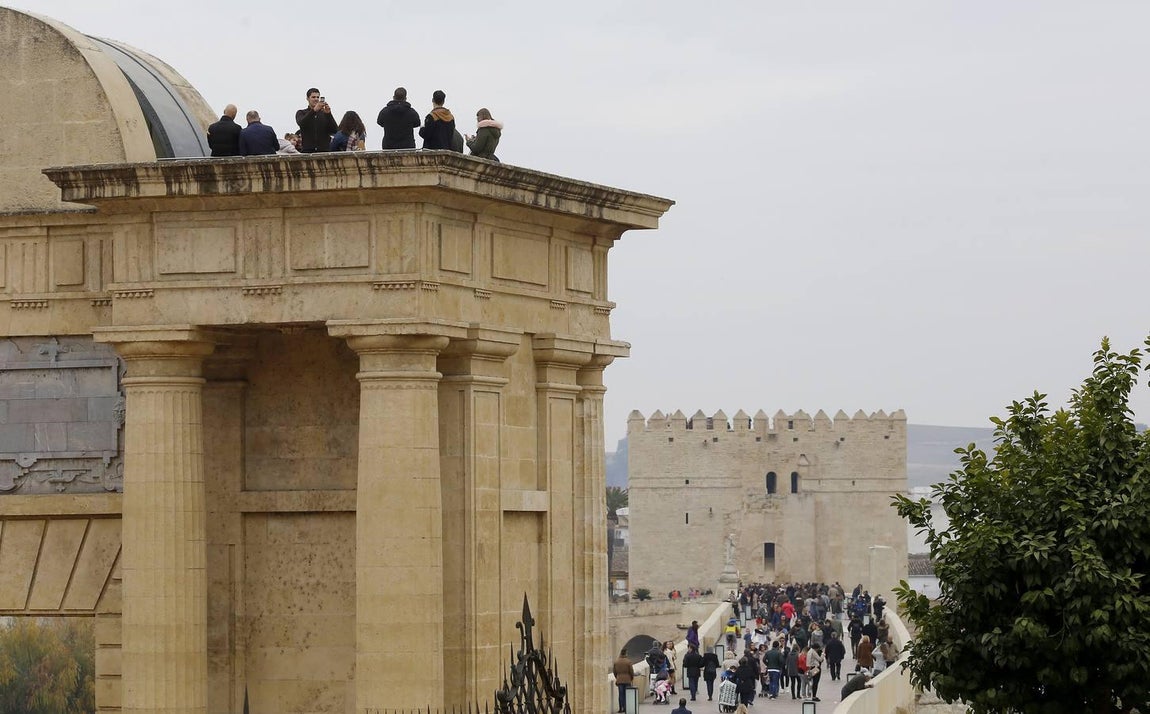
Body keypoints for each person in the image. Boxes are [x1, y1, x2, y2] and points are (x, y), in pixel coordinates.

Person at [295, 88, 338, 153]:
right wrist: (314, 111)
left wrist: (328, 114)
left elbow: (334, 130)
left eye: (318, 97)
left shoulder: (324, 114)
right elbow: (301, 123)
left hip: (324, 151)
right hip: (307, 151)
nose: (316, 99)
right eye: (313, 97)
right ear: (307, 98)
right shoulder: (301, 112)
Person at [611, 648, 634, 714]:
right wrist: (631, 678)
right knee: (627, 694)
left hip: (619, 680)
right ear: (626, 653)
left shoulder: (616, 662)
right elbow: (631, 671)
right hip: (627, 680)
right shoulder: (628, 662)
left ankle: (621, 708)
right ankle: (626, 708)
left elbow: (614, 672)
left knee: (621, 695)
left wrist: (617, 677)